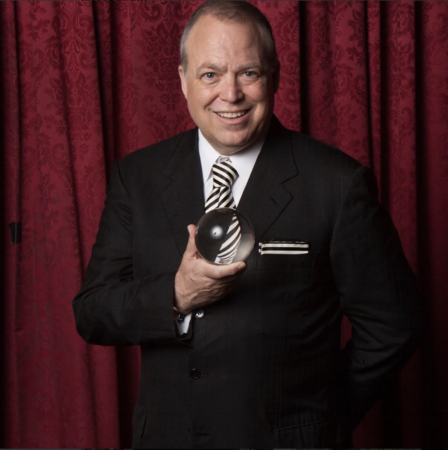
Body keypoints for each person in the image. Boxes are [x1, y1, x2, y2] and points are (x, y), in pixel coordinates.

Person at [73, 1, 424, 448]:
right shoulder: (137, 177)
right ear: (183, 79)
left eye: (249, 73)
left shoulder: (337, 184)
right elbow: (93, 312)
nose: (231, 93)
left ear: (274, 77)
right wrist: (177, 296)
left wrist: (320, 420)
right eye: (210, 74)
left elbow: (394, 325)